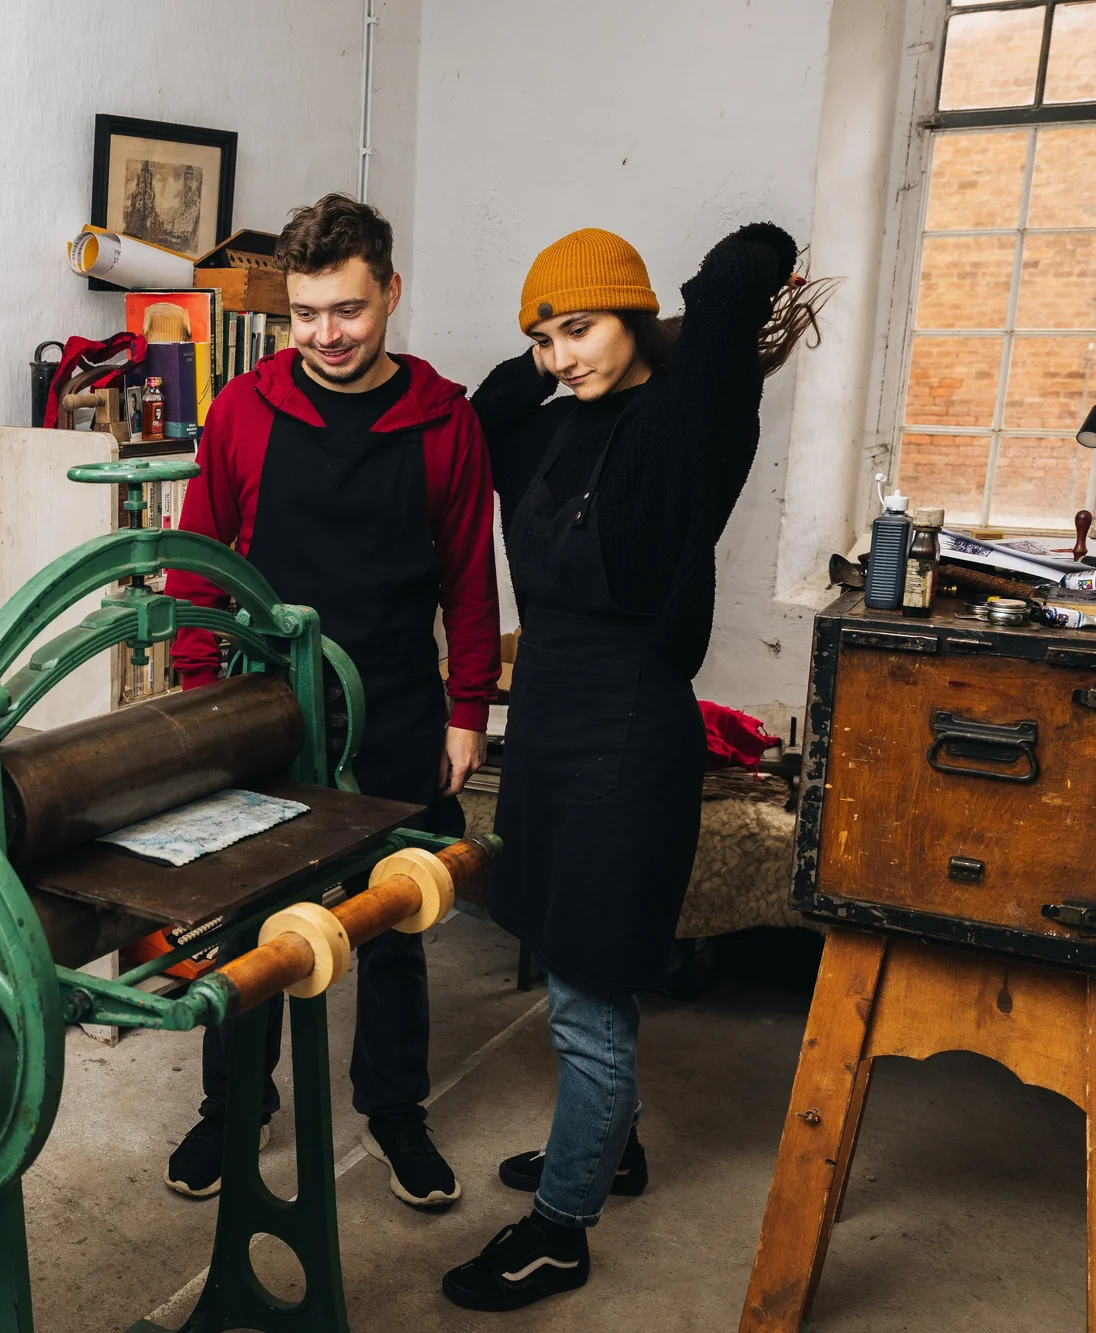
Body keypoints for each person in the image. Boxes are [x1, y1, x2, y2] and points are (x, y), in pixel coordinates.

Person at [441, 223, 829, 1311]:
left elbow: (739, 265)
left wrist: (677, 315)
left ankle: (559, 1232)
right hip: (551, 729)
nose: (560, 356)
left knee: (586, 990)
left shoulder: (691, 422)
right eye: (542, 337)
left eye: (579, 328)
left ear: (635, 314)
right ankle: (611, 1148)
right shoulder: (550, 425)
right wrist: (540, 358)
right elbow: (480, 423)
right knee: (570, 952)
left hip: (626, 734)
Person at [162, 194, 501, 1208]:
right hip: (265, 714)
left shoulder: (443, 421)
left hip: (396, 705)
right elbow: (198, 568)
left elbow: (468, 579)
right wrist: (193, 710)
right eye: (305, 314)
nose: (324, 335)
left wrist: (465, 709)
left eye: (346, 310)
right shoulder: (244, 411)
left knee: (394, 917)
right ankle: (233, 1109)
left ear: (389, 295)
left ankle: (393, 1108)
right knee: (248, 927)